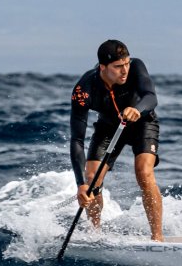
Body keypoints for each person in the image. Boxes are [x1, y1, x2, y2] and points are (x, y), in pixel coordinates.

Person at [69, 39, 164, 241]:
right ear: (102, 67)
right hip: (109, 127)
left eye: (126, 64)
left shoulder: (136, 67)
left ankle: (157, 237)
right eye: (118, 66)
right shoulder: (84, 90)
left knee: (144, 172)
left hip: (142, 122)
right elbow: (77, 140)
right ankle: (94, 235)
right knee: (92, 177)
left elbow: (150, 96)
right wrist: (80, 185)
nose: (125, 70)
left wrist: (137, 109)